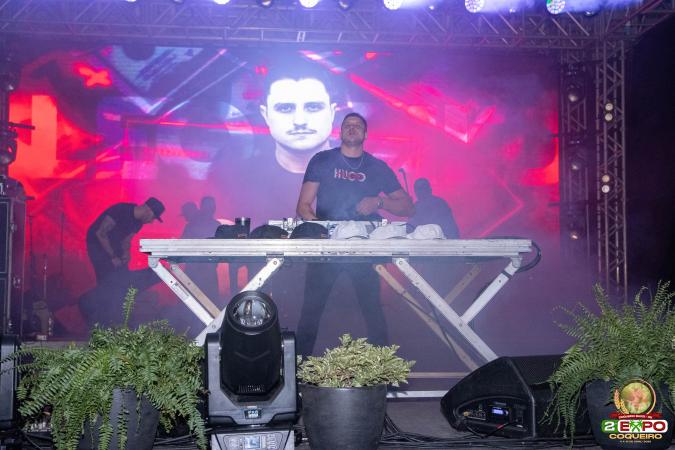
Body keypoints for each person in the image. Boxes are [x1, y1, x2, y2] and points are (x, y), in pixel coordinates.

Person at [295, 113, 414, 355]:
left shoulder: (377, 167)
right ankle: (297, 368)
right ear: (340, 132)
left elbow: (408, 207)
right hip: (327, 247)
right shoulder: (322, 160)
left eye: (357, 125)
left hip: (364, 248)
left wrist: (379, 202)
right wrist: (323, 233)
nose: (352, 128)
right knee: (311, 311)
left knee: (372, 310)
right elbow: (303, 206)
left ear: (365, 134)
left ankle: (382, 369)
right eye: (347, 125)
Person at [260, 67, 337, 174]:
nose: (300, 121)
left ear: (332, 113)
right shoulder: (239, 175)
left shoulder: (362, 175)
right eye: (285, 108)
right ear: (266, 115)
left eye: (313, 107)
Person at [86, 197, 165, 284]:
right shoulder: (121, 209)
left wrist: (126, 253)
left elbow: (126, 241)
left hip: (112, 243)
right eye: (153, 217)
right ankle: (104, 289)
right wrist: (113, 257)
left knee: (122, 270)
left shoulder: (138, 223)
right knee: (106, 274)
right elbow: (101, 233)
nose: (151, 221)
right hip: (96, 242)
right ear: (148, 210)